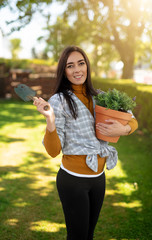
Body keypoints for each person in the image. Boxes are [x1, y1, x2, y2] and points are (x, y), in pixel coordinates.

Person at [33, 46, 138, 240]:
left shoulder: (100, 97)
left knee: (88, 236)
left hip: (99, 178)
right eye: (70, 66)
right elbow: (53, 151)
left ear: (87, 66)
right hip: (73, 180)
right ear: (64, 72)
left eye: (81, 63)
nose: (77, 70)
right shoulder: (59, 101)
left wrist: (123, 129)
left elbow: (132, 119)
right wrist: (50, 120)